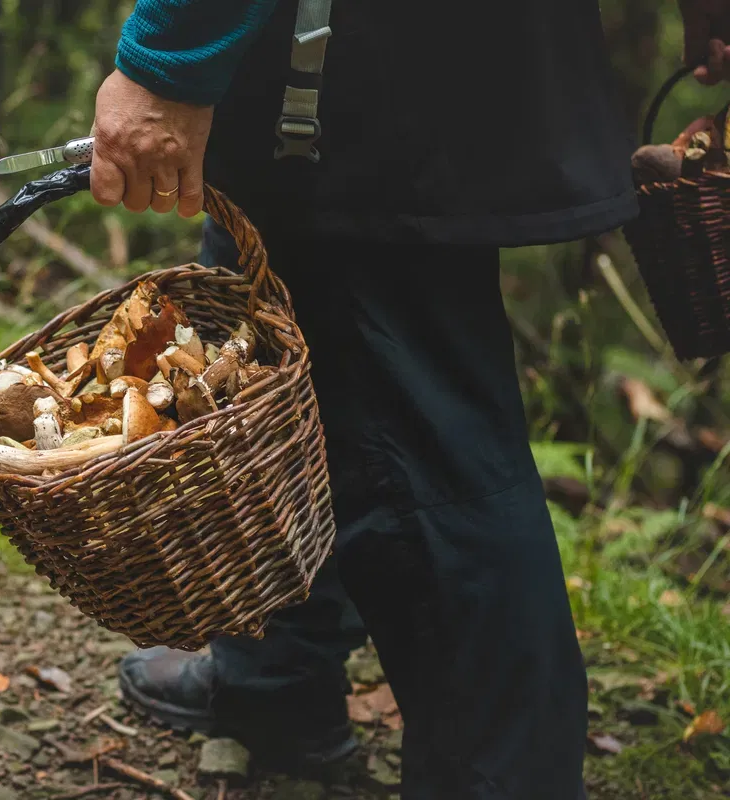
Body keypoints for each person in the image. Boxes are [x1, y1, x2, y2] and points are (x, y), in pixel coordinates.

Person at [86, 0, 730, 797]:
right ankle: (276, 681)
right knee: (269, 326)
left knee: (422, 444)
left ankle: (502, 780)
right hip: (353, 62)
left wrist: (168, 59)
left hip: (362, 68)